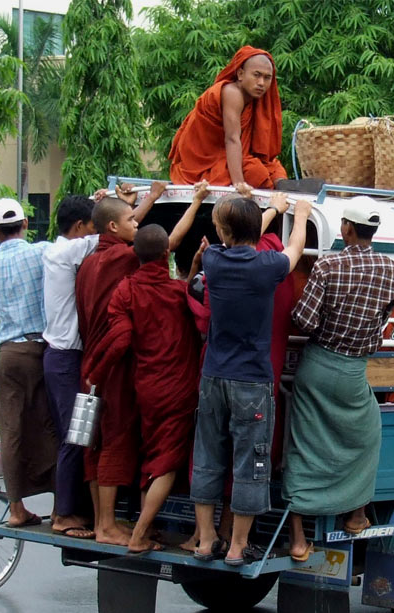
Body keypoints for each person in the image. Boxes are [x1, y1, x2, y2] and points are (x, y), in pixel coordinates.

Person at [81, 193, 208, 553]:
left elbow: (120, 339)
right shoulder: (177, 292)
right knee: (166, 461)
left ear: (136, 253)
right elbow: (194, 303)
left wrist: (95, 370)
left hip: (144, 386)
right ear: (165, 254)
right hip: (180, 387)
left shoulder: (124, 287)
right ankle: (138, 534)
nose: (133, 221)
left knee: (148, 454)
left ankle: (144, 525)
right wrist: (195, 270)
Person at [189, 195, 309, 565]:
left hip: (213, 376)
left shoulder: (213, 259)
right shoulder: (266, 266)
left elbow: (245, 232)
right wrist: (299, 214)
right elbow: (295, 248)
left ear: (223, 233)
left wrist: (271, 209)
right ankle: (238, 546)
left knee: (208, 455)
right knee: (250, 461)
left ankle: (206, 539)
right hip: (252, 381)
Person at [284, 197, 394, 560]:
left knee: (303, 445)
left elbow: (303, 320)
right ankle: (355, 514)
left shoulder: (328, 264)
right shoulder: (391, 269)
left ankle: (299, 538)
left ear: (347, 229)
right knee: (366, 436)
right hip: (353, 372)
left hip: (317, 365)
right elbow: (386, 312)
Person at [0, 198, 59, 528]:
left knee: (11, 429)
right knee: (52, 424)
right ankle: (61, 506)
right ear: (25, 224)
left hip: (8, 353)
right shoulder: (41, 252)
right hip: (41, 348)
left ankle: (16, 508)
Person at [75, 197, 140, 546]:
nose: (137, 225)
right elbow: (161, 245)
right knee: (113, 439)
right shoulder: (125, 257)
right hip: (112, 366)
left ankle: (103, 520)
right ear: (113, 227)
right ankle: (107, 526)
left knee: (92, 441)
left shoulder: (87, 263)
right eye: (132, 219)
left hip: (88, 365)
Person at [41, 194, 99, 538]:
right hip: (65, 359)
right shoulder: (69, 251)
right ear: (79, 228)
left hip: (57, 356)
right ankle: (64, 515)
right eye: (90, 226)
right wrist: (147, 200)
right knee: (74, 437)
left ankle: (62, 507)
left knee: (72, 434)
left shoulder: (54, 249)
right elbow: (114, 230)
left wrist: (98, 199)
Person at [168, 46, 286, 195]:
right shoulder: (232, 93)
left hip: (229, 154)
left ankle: (285, 185)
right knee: (255, 172)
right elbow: (231, 139)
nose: (261, 83)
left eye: (267, 77)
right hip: (203, 162)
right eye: (256, 75)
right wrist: (239, 185)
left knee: (273, 166)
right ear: (240, 74)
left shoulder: (255, 99)